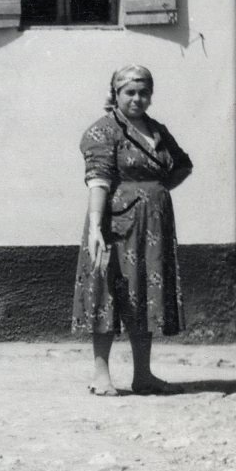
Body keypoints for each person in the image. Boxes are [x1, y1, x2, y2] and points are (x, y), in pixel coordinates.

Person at [73, 65, 193, 396]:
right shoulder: (103, 131)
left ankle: (143, 375)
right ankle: (101, 375)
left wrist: (156, 190)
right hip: (115, 226)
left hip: (154, 225)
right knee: (110, 293)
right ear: (115, 95)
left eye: (143, 92)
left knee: (146, 295)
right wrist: (96, 225)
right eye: (130, 92)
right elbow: (98, 179)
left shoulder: (156, 130)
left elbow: (183, 164)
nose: (137, 99)